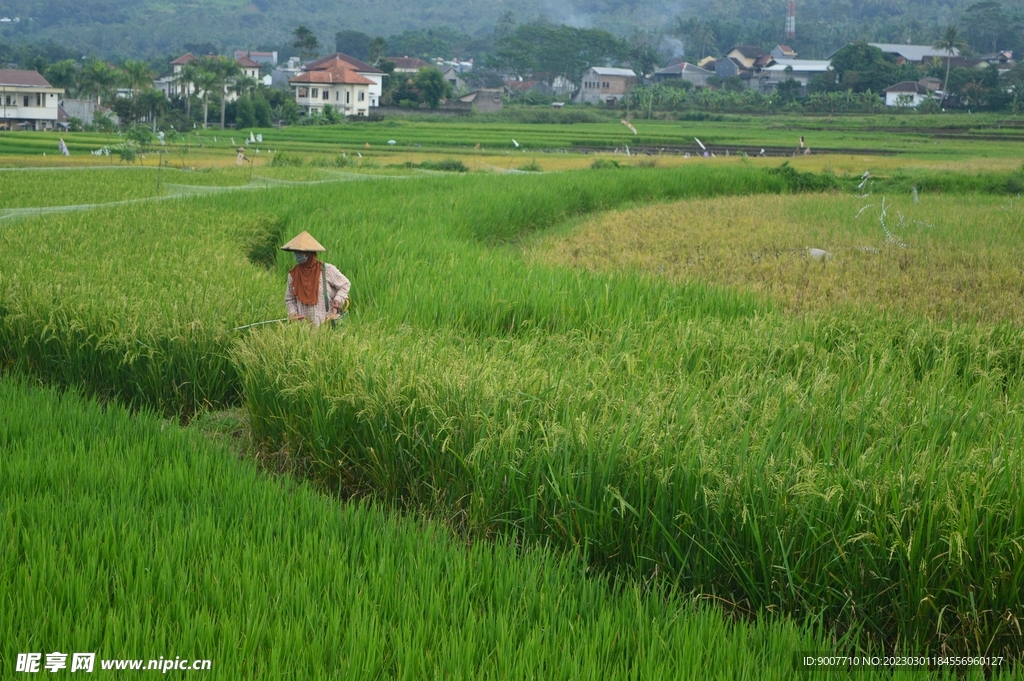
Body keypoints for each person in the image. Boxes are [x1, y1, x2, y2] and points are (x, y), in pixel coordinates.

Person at [281, 231, 350, 327]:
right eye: (296, 252)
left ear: (310, 254)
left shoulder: (326, 270)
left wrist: (339, 299)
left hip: (327, 324)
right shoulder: (293, 275)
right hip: (304, 327)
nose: (297, 255)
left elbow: (345, 284)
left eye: (301, 252)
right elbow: (290, 299)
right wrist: (293, 313)